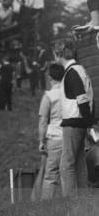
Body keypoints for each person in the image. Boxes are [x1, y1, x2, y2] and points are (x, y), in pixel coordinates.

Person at [54, 40, 94, 196]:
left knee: (66, 166)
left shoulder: (71, 72)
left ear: (59, 54)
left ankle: (71, 206)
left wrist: (87, 120)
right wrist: (89, 121)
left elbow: (82, 98)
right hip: (81, 122)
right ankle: (84, 204)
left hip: (73, 122)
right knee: (79, 165)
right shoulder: (79, 69)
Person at [38, 63, 65, 200]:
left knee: (51, 176)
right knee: (69, 175)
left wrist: (41, 141)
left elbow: (43, 121)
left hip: (54, 138)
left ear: (49, 77)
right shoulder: (70, 92)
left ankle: (46, 210)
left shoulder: (49, 96)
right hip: (71, 137)